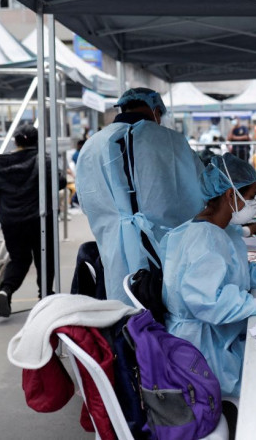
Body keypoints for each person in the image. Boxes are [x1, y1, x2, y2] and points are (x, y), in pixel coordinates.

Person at [162, 154, 256, 397]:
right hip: (202, 350)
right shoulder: (203, 239)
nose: (254, 204)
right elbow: (211, 303)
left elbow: (237, 272)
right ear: (231, 195)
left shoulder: (222, 230)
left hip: (220, 334)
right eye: (252, 197)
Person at [76, 87, 205, 304]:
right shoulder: (170, 141)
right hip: (166, 245)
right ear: (156, 110)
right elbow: (198, 190)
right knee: (164, 308)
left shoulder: (92, 145)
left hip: (113, 247)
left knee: (126, 310)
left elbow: (86, 202)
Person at [0, 125, 66, 317]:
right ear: (37, 141)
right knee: (44, 257)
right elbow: (60, 181)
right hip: (39, 218)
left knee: (19, 259)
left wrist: (3, 209)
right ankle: (45, 296)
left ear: (16, 141)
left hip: (11, 221)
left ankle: (6, 290)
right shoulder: (43, 161)